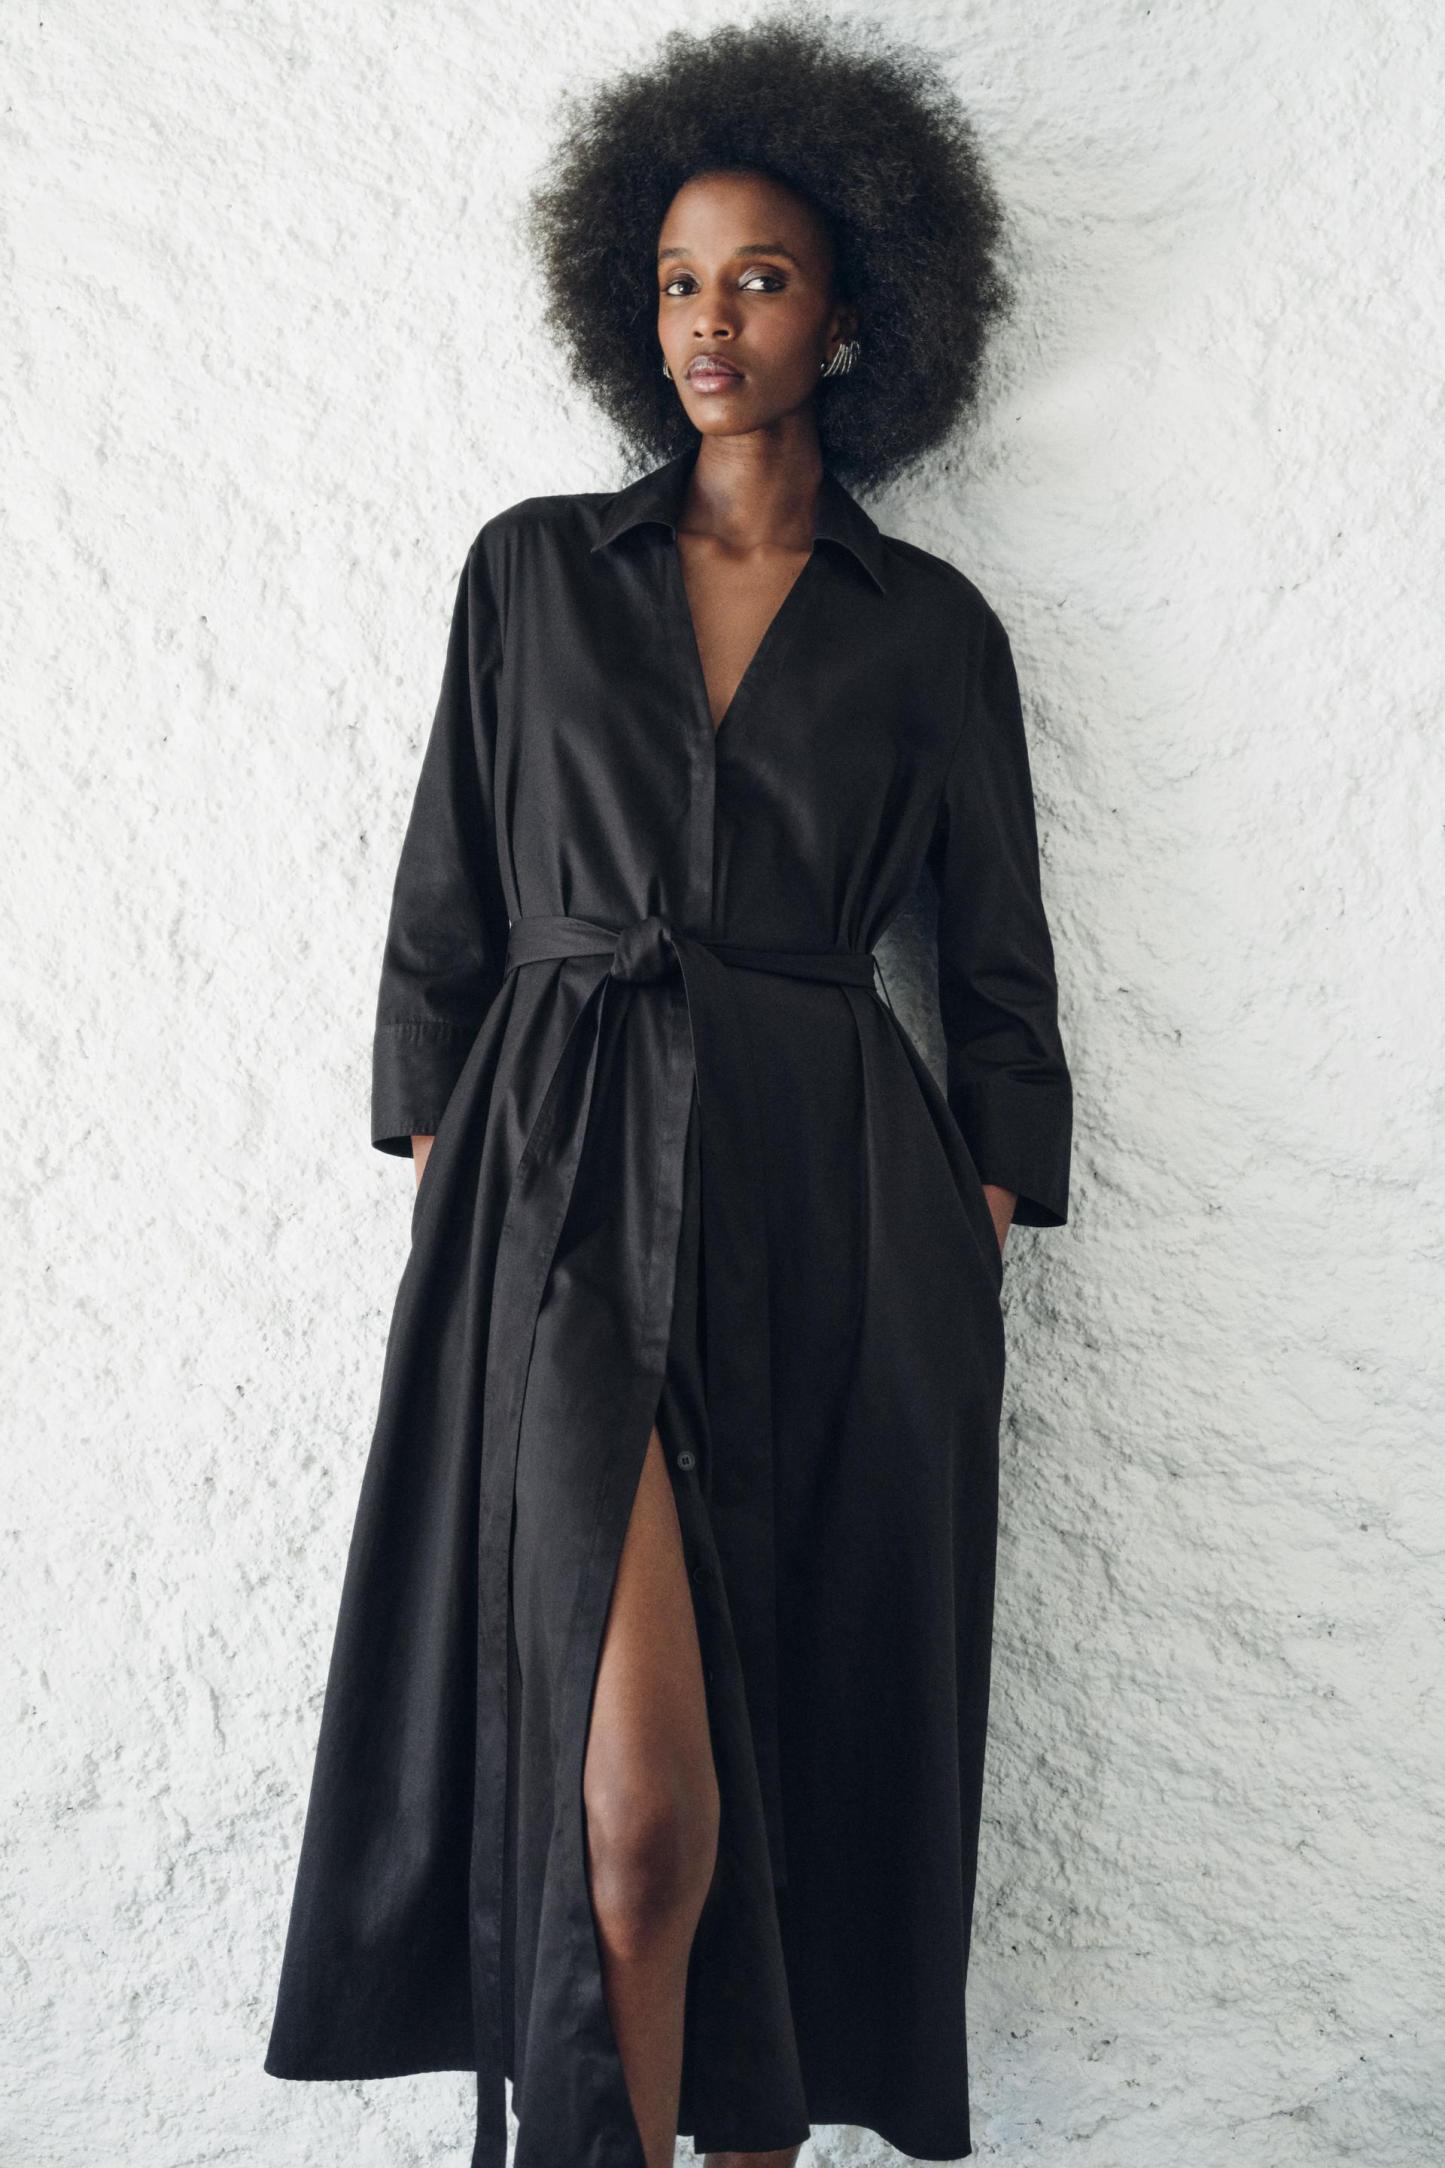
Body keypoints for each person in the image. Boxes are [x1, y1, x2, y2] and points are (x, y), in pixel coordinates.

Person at [263, 12, 1074, 2166]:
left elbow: (996, 976)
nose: (711, 321)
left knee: (793, 1761)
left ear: (854, 317)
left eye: (763, 279)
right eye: (678, 281)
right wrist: (463, 1169)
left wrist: (977, 1214)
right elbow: (446, 908)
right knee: (630, 1817)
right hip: (560, 1200)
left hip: (838, 1222)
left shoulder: (929, 632)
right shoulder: (533, 570)